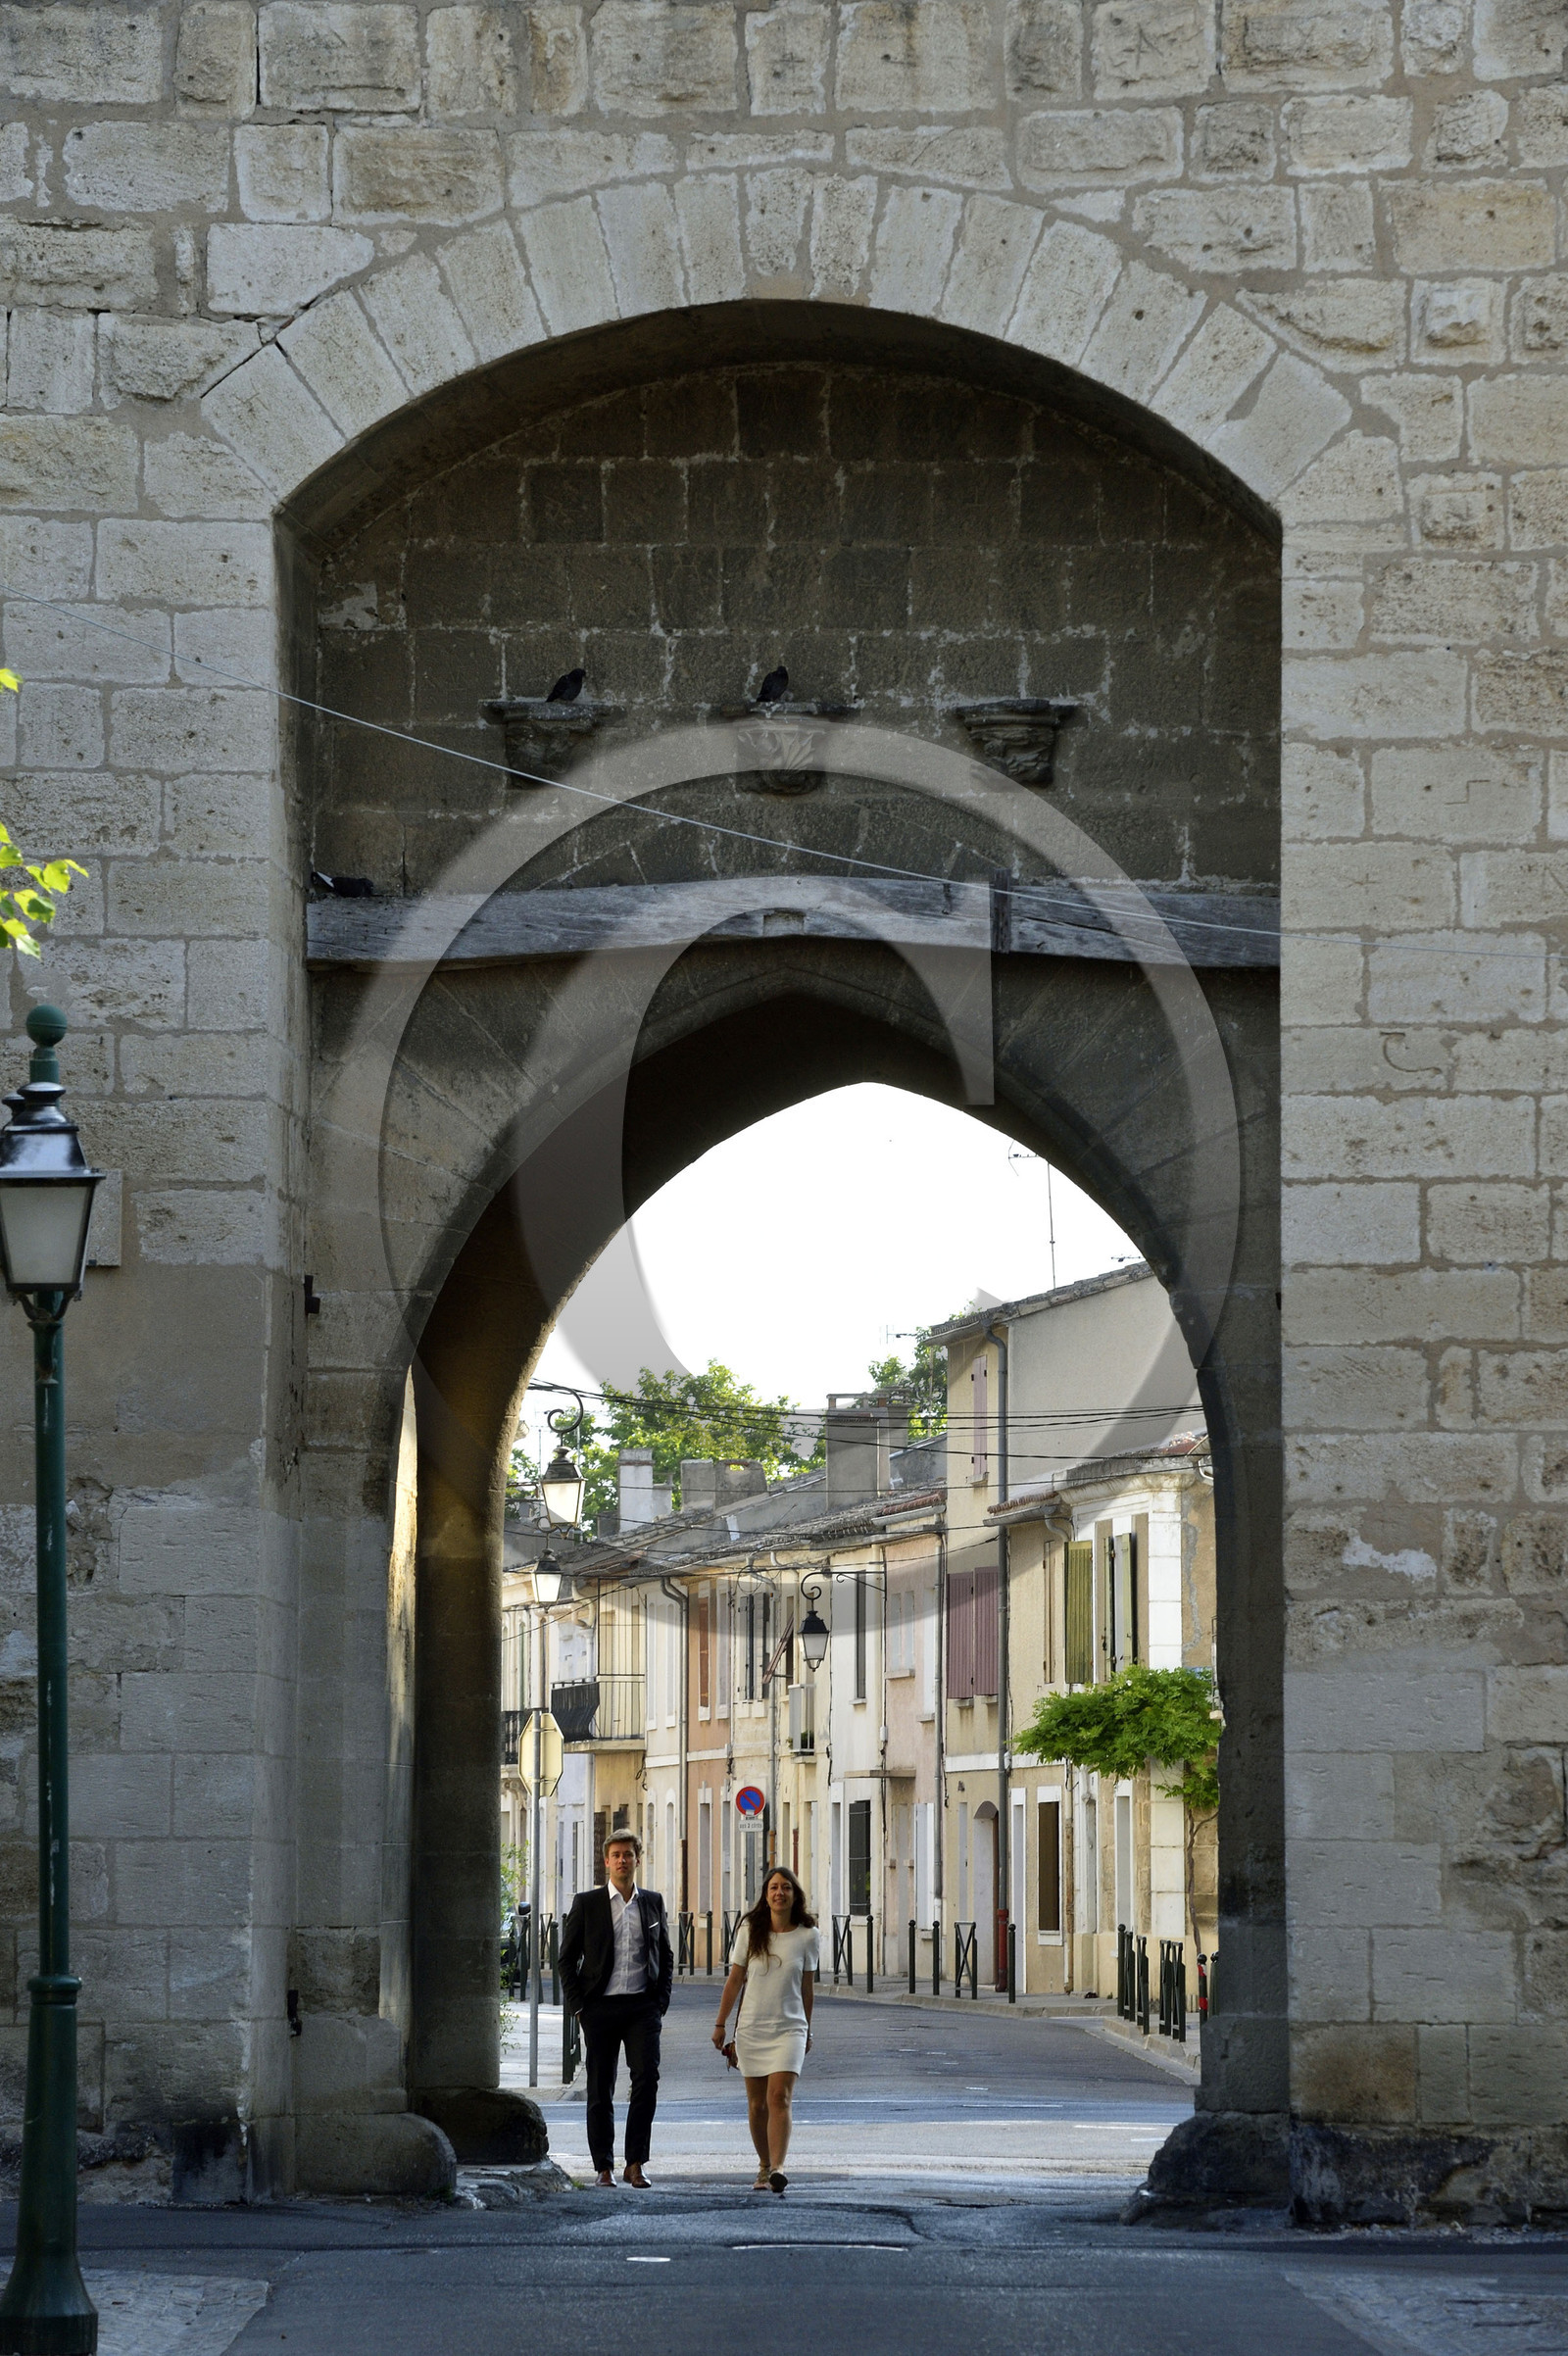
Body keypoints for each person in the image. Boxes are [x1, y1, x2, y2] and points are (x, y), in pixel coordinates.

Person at [559, 1830, 672, 2188]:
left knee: (646, 2081)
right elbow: (566, 1959)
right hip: (600, 2008)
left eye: (629, 1854)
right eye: (616, 1855)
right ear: (606, 1861)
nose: (623, 1860)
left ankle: (635, 2163)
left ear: (639, 1859)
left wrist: (660, 2002)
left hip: (642, 2007)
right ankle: (603, 2166)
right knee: (600, 2086)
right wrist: (579, 2008)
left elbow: (665, 1955)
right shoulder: (588, 1904)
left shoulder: (652, 1903)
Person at [710, 1864, 818, 2193]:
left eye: (786, 1887)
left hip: (790, 2028)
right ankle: (764, 2164)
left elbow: (807, 1988)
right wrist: (720, 2024)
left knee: (779, 2097)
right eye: (773, 1887)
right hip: (752, 2028)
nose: (779, 1893)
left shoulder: (808, 1936)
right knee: (757, 2105)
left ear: (794, 1894)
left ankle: (779, 2167)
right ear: (765, 1894)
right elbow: (734, 1981)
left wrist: (808, 2029)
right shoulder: (750, 1931)